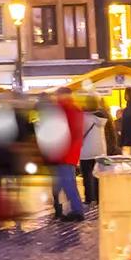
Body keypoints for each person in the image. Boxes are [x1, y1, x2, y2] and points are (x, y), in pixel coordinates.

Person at [40, 94, 87, 222]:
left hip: (64, 154)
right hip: (69, 154)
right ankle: (70, 210)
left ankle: (76, 211)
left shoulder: (64, 111)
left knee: (67, 184)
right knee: (65, 184)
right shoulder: (75, 110)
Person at [76, 96, 109, 211]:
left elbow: (79, 133)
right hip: (100, 150)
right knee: (98, 175)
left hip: (86, 150)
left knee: (87, 175)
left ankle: (89, 198)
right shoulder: (102, 117)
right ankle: (99, 197)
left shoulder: (84, 117)